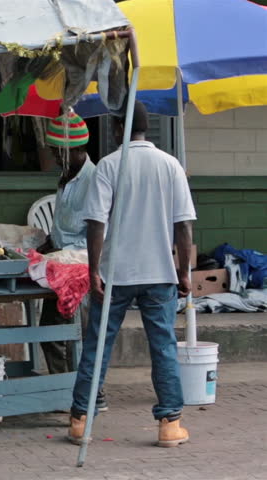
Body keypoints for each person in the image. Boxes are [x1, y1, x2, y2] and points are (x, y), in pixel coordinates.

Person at [68, 101, 195, 447]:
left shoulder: (108, 166)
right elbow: (183, 228)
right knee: (163, 348)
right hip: (160, 274)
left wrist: (93, 270)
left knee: (98, 345)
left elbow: (96, 223)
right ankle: (170, 424)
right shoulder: (171, 166)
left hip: (115, 274)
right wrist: (184, 273)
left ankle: (81, 419)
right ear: (147, 129)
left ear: (114, 129)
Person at [36, 111, 107, 407]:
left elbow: (96, 228)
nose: (54, 157)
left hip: (82, 269)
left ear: (76, 150)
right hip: (59, 264)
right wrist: (46, 244)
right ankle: (66, 389)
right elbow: (63, 226)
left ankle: (89, 392)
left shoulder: (94, 180)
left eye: (58, 152)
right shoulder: (65, 178)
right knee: (51, 333)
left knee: (79, 335)